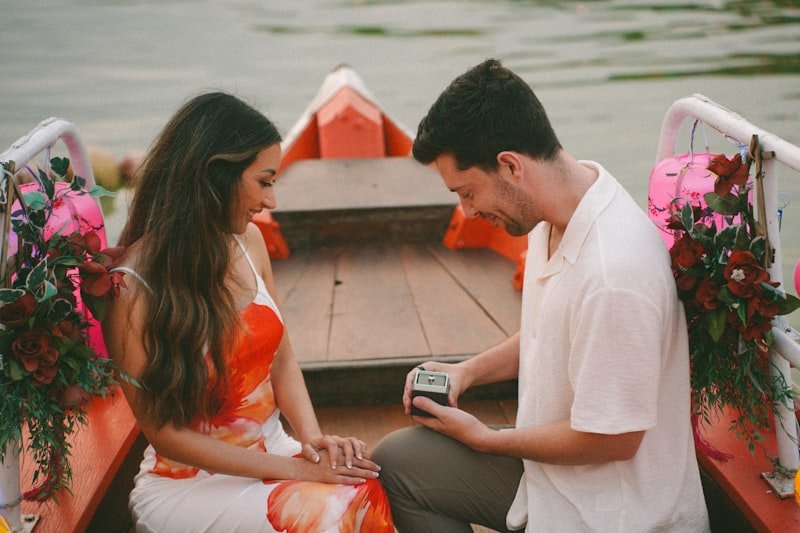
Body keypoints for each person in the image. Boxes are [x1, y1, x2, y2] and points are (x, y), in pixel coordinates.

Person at [372, 59, 710, 532]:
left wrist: (487, 439)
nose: (466, 212)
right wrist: (464, 372)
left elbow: (614, 440)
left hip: (612, 512)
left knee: (405, 469)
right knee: (396, 462)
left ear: (510, 166)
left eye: (467, 192)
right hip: (556, 479)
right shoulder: (554, 212)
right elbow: (546, 332)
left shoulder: (614, 273)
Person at [102, 92, 394, 532]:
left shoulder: (248, 243)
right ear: (216, 177)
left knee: (362, 488)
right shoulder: (132, 288)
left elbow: (283, 359)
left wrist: (313, 442)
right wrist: (300, 471)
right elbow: (165, 434)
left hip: (272, 450)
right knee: (326, 513)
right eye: (264, 181)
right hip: (191, 484)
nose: (271, 201)